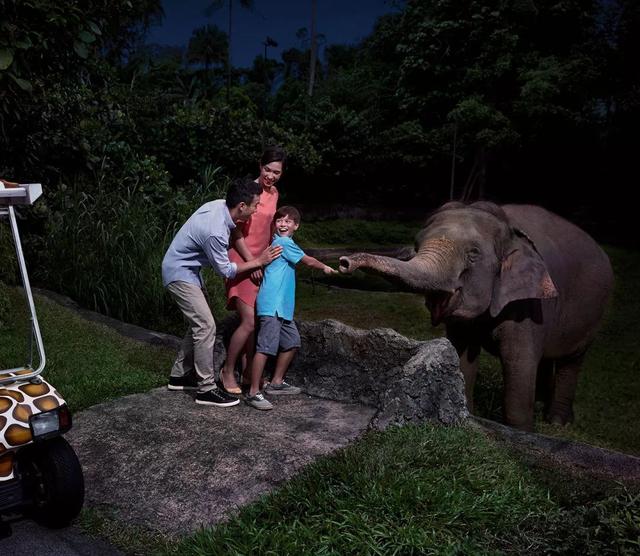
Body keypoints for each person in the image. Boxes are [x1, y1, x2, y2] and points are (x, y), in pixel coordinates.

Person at [161, 177, 282, 407]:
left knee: (199, 323)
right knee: (206, 326)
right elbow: (226, 270)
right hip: (178, 273)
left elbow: (233, 237)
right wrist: (259, 261)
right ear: (242, 206)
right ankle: (206, 389)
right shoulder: (215, 231)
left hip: (188, 270)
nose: (257, 210)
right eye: (255, 205)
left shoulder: (221, 206)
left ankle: (179, 376)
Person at [245, 206, 337, 411]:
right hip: (272, 305)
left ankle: (276, 382)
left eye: (288, 221)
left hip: (282, 308)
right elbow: (308, 261)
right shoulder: (284, 243)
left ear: (296, 225)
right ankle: (253, 392)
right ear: (275, 225)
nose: (283, 224)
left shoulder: (285, 243)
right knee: (265, 347)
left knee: (292, 342)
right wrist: (325, 267)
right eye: (279, 221)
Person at [220, 146, 286, 395]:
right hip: (242, 257)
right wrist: (254, 261)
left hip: (262, 259)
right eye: (268, 170)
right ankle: (227, 371)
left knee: (256, 320)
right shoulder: (248, 189)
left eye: (276, 172)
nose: (271, 176)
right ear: (260, 165)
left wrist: (269, 260)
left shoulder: (275, 193)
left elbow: (269, 231)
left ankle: (248, 373)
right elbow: (235, 230)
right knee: (248, 321)